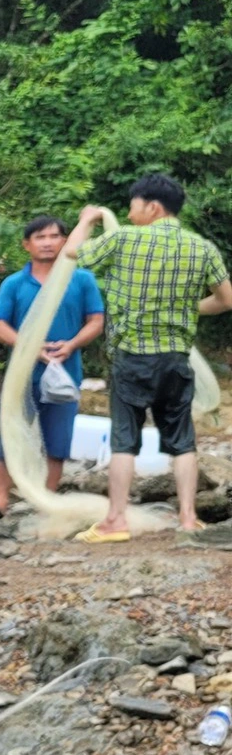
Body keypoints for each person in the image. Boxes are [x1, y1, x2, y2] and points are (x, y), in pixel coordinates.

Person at [62, 172, 232, 537]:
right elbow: (226, 299)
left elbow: (72, 252)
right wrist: (187, 308)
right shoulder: (201, 248)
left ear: (152, 207)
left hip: (133, 356)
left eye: (133, 205)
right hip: (176, 358)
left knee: (125, 440)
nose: (128, 212)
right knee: (182, 441)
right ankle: (188, 518)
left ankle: (116, 520)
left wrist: (85, 220)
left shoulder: (123, 238)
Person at [0, 215, 105, 515]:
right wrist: (29, 346)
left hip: (66, 373)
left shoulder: (81, 280)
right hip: (22, 376)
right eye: (40, 237)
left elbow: (96, 321)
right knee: (10, 436)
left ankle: (46, 502)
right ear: (27, 245)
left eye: (54, 236)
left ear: (66, 241)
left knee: (58, 441)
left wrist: (72, 344)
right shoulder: (14, 283)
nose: (48, 243)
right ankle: (0, 500)